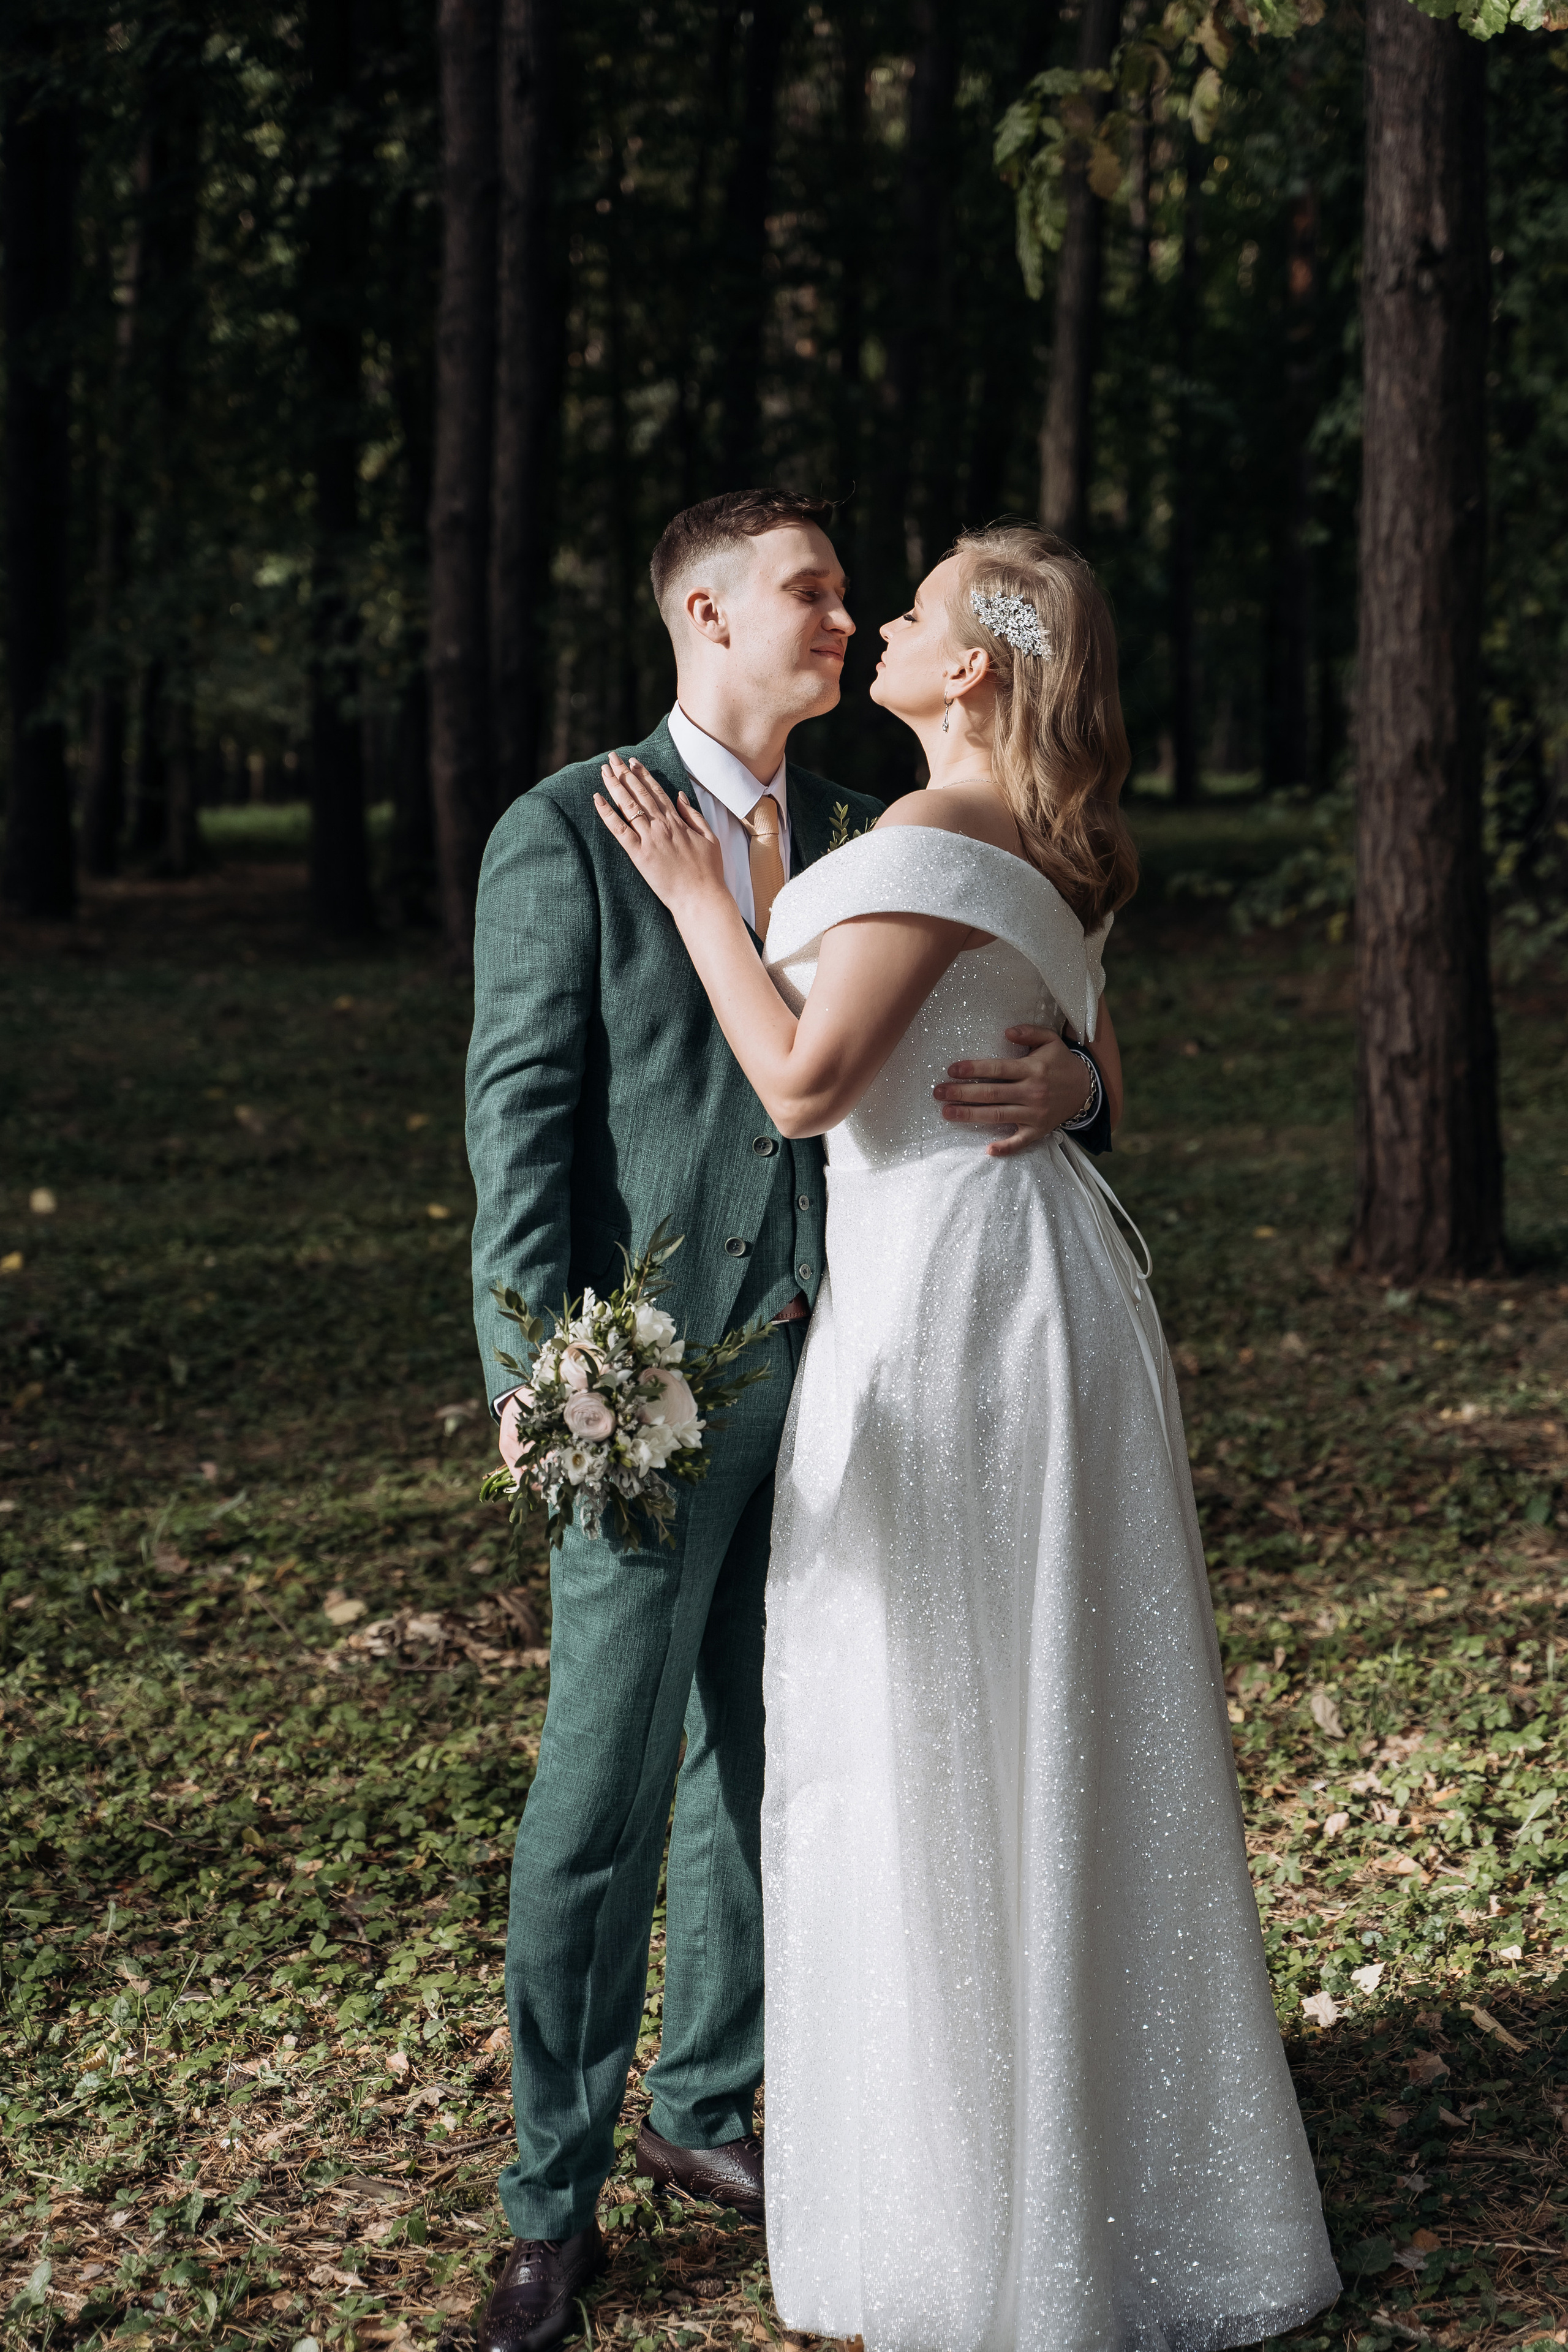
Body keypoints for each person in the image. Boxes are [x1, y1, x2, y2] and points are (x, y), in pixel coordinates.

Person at [595, 524, 1341, 2352]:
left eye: (914, 610)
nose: (885, 627)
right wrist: (1082, 1078)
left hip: (953, 1318)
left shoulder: (932, 837)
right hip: (1032, 1293)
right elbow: (1079, 1032)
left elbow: (798, 1083)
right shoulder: (1041, 837)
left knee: (931, 1721)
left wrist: (701, 897)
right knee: (1040, 1717)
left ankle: (983, 2204)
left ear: (978, 669)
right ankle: (1078, 2154)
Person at [465, 490, 1112, 2352]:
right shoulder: (568, 833)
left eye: (853, 596)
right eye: (812, 592)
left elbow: (1016, 985)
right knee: (597, 1791)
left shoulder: (866, 824)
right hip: (646, 1388)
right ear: (705, 612)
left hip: (858, 1368)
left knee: (777, 1754)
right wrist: (534, 1366)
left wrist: (1074, 1079)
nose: (840, 618)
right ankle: (545, 2201)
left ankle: (705, 2109)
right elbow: (520, 1122)